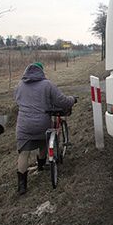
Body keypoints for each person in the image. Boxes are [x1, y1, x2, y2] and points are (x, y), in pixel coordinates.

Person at [14, 62, 76, 195]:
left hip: (23, 126)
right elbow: (62, 101)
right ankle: (41, 166)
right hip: (42, 123)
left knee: (23, 154)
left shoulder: (19, 85)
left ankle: (22, 186)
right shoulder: (47, 84)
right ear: (41, 72)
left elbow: (17, 100)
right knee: (44, 141)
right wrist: (72, 100)